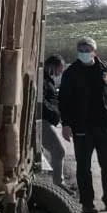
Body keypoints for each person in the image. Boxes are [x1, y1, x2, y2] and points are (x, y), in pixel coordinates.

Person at [58, 36, 107, 213]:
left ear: (94, 51)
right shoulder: (71, 73)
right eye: (81, 50)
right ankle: (87, 203)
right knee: (83, 167)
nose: (85, 53)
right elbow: (64, 100)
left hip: (105, 126)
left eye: (88, 50)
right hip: (82, 128)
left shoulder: (105, 70)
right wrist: (66, 125)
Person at [40, 55, 67, 186]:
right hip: (43, 121)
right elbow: (41, 102)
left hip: (47, 121)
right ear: (52, 66)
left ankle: (57, 181)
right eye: (59, 69)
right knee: (59, 150)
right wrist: (54, 113)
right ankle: (58, 183)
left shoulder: (47, 79)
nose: (60, 73)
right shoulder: (43, 80)